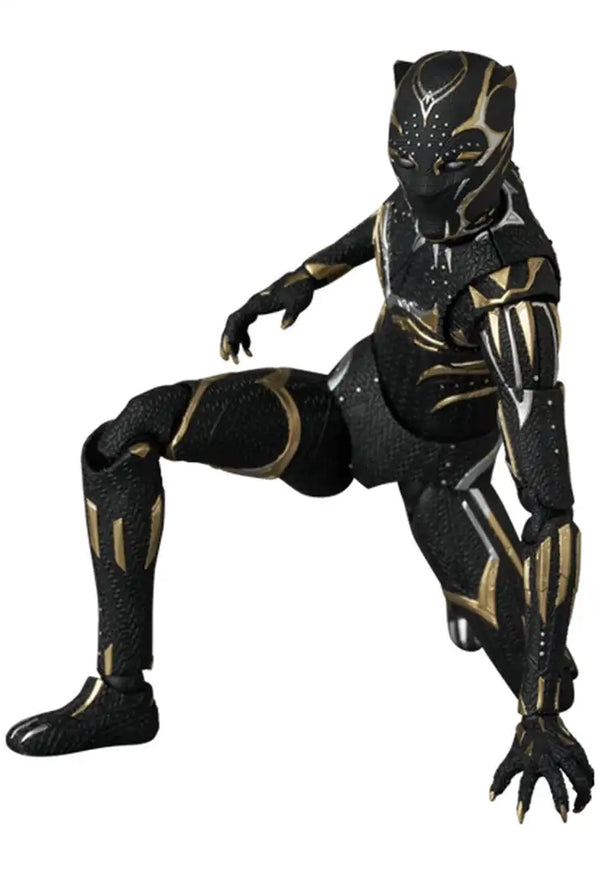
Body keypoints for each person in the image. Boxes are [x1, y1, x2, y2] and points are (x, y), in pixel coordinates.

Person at [6, 49, 593, 823]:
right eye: (405, 159)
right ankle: (121, 692)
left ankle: (509, 648)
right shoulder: (426, 197)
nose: (421, 185)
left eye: (447, 166)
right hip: (347, 411)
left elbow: (550, 510)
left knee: (546, 670)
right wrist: (296, 282)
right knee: (130, 435)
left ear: (488, 152)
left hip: (444, 476)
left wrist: (540, 708)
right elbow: (385, 225)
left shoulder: (513, 295)